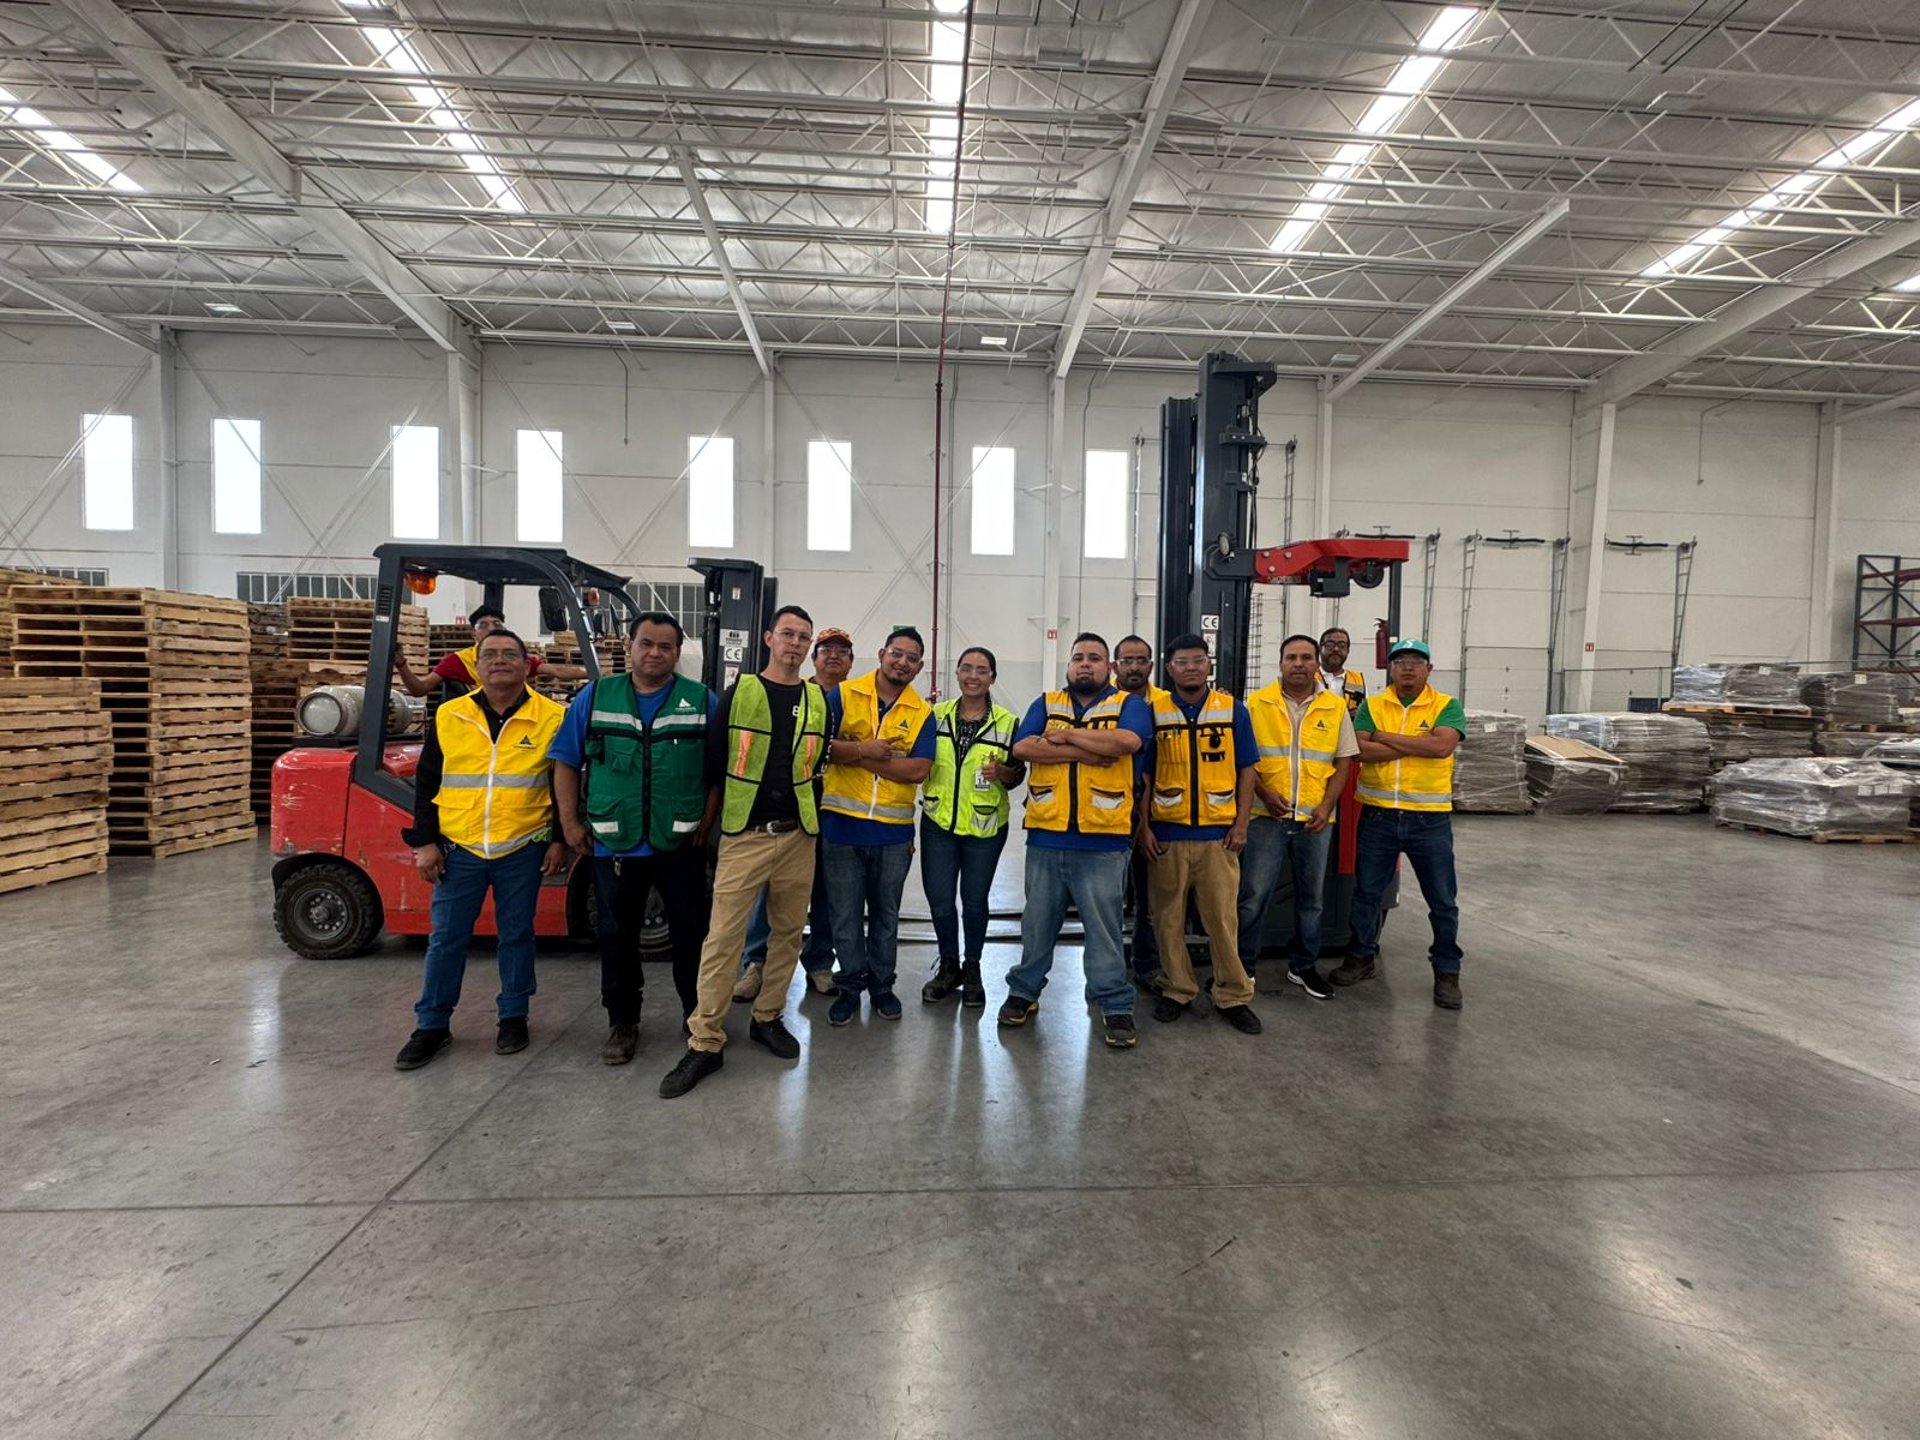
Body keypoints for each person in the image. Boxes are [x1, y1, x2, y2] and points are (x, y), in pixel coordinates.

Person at [658, 605, 830, 1098]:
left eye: (804, 636)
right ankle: (705, 1040)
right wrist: (709, 827)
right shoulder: (741, 693)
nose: (795, 644)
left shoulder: (817, 700)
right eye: (788, 634)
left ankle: (767, 1017)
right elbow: (714, 763)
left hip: (798, 835)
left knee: (788, 935)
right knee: (723, 940)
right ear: (769, 638)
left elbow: (819, 761)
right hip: (746, 833)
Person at [393, 629, 570, 1070]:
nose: (499, 661)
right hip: (460, 847)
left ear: (526, 663)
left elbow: (562, 783)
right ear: (475, 664)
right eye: (488, 654)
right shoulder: (450, 715)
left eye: (509, 654)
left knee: (516, 935)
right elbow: (428, 782)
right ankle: (431, 1023)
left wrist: (558, 839)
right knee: (447, 938)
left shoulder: (551, 716)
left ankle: (513, 1015)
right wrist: (426, 841)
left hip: (522, 845)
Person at [551, 612, 718, 1066]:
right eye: (647, 643)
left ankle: (696, 1017)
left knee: (692, 936)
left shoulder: (701, 700)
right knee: (616, 937)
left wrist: (707, 819)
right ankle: (622, 1022)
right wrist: (568, 825)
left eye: (666, 646)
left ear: (677, 653)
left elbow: (718, 770)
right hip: (615, 844)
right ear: (630, 646)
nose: (655, 653)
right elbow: (565, 761)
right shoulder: (597, 697)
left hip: (680, 842)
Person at [1000, 632, 1153, 1049]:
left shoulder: (1130, 705)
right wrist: (1086, 751)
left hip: (1103, 841)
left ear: (1110, 667)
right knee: (1037, 924)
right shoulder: (1046, 703)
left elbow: (1126, 742)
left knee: (1103, 930)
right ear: (1069, 665)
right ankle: (1024, 992)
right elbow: (1024, 747)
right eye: (1078, 658)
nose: (1085, 664)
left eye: (1095, 658)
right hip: (1047, 836)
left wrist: (1065, 737)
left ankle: (1113, 1002)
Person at [1333, 639, 1468, 1010]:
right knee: (1366, 895)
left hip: (1430, 821)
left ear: (1429, 669)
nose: (1407, 667)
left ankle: (1447, 972)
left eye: (1415, 661)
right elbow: (1361, 750)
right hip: (1378, 815)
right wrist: (1418, 742)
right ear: (1390, 669)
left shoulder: (1446, 706)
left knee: (1442, 900)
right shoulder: (1373, 705)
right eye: (1400, 661)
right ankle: (1361, 957)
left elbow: (1442, 747)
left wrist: (1387, 738)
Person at [1137, 634, 1262, 1033]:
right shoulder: (1153, 713)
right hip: (1167, 836)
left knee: (1222, 921)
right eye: (1182, 661)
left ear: (1209, 665)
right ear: (1169, 669)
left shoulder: (1232, 711)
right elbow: (1144, 776)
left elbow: (1247, 769)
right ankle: (1177, 988)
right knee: (1167, 919)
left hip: (1218, 838)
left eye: (1197, 660)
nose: (1190, 667)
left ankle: (1233, 994)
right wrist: (1144, 829)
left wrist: (1241, 824)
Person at [821, 626, 936, 1025]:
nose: (902, 662)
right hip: (841, 827)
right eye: (896, 654)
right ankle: (851, 984)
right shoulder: (844, 694)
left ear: (919, 667)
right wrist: (863, 749)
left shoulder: (922, 713)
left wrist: (859, 756)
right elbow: (819, 746)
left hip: (892, 833)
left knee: (887, 915)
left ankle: (882, 985)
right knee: (845, 915)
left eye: (911, 658)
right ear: (882, 653)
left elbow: (918, 770)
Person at [1236, 634, 1358, 1002]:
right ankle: (1243, 968)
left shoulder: (1335, 708)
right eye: (1292, 657)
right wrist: (1264, 794)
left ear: (1316, 663)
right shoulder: (1255, 704)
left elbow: (1343, 762)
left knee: (1312, 900)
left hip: (1315, 821)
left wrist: (1326, 807)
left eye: (1307, 657)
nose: (1300, 663)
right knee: (1253, 897)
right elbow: (1245, 761)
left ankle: (1303, 966)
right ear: (1280, 663)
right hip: (1265, 817)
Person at [734, 628, 851, 1001]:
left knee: (826, 892)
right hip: (788, 810)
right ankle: (756, 963)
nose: (834, 656)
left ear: (850, 662)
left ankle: (818, 962)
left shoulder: (854, 700)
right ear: (813, 658)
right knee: (766, 891)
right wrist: (859, 749)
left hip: (835, 814)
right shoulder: (797, 695)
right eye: (826, 650)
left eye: (843, 652)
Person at [918, 646, 1024, 1008]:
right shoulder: (935, 716)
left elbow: (1017, 777)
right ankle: (949, 965)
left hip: (985, 827)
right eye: (966, 668)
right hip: (938, 823)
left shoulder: (1009, 723)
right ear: (958, 674)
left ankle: (973, 966)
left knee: (975, 901)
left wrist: (1002, 773)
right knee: (940, 899)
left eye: (982, 670)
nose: (973, 676)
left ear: (992, 677)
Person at [1112, 634, 1166, 992]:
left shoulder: (1167, 703)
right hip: (1109, 812)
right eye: (1126, 660)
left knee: (1151, 897)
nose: (1134, 667)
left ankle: (1147, 965)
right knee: (1108, 897)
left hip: (1157, 811)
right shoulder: (1104, 702)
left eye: (1140, 660)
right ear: (1115, 666)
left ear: (1151, 664)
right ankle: (1110, 969)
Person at [395, 604, 587, 698]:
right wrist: (402, 664)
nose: (491, 627)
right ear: (474, 635)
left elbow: (557, 671)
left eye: (496, 623)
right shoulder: (458, 660)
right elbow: (420, 689)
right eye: (483, 625)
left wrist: (591, 673)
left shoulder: (519, 658)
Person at [1318, 627, 1368, 714]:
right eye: (1330, 644)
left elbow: (1365, 713)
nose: (1336, 649)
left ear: (1348, 650)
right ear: (1320, 648)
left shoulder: (1357, 680)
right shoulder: (1310, 677)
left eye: (1342, 646)